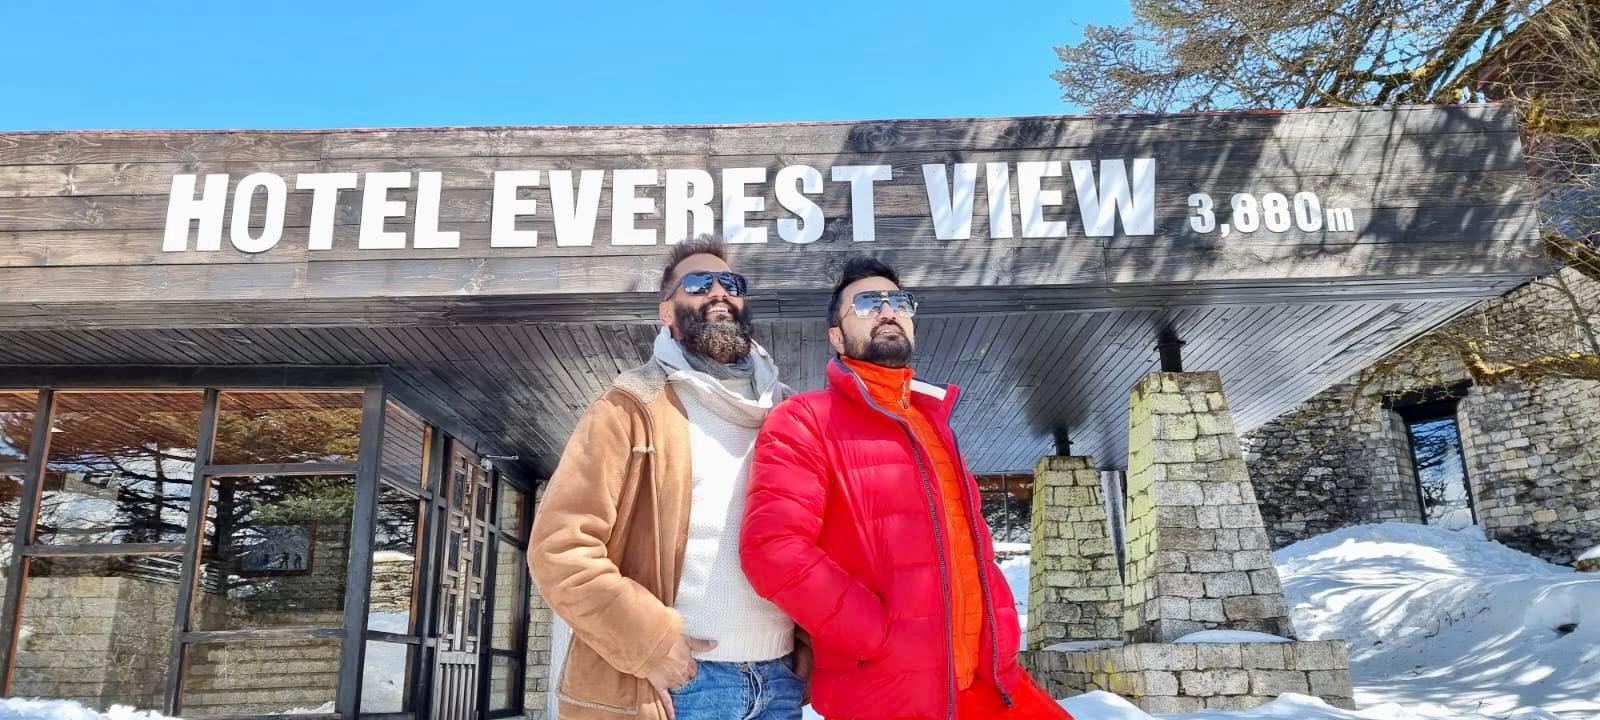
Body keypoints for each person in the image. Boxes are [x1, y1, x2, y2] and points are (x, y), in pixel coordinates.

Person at [741, 256, 1073, 720]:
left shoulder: (933, 426)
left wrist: (1000, 627)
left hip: (986, 684)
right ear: (836, 337)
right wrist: (876, 634)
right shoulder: (806, 419)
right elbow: (772, 549)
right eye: (867, 304)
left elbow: (971, 547)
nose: (887, 311)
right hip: (890, 695)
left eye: (899, 302)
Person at [529, 235, 806, 720]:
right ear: (667, 312)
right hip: (678, 686)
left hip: (780, 682)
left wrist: (809, 645)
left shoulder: (790, 411)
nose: (719, 293)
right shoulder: (629, 407)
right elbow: (560, 549)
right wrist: (649, 642)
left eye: (731, 284)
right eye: (699, 284)